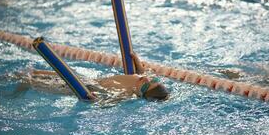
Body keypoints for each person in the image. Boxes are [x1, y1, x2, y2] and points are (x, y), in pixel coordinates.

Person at [12, 53, 170, 103]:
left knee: (32, 82)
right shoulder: (144, 78)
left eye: (145, 86)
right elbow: (147, 74)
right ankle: (20, 76)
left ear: (140, 95)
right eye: (152, 80)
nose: (145, 80)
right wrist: (137, 62)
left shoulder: (127, 94)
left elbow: (105, 103)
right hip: (90, 79)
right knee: (33, 72)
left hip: (88, 87)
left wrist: (93, 100)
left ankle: (19, 90)